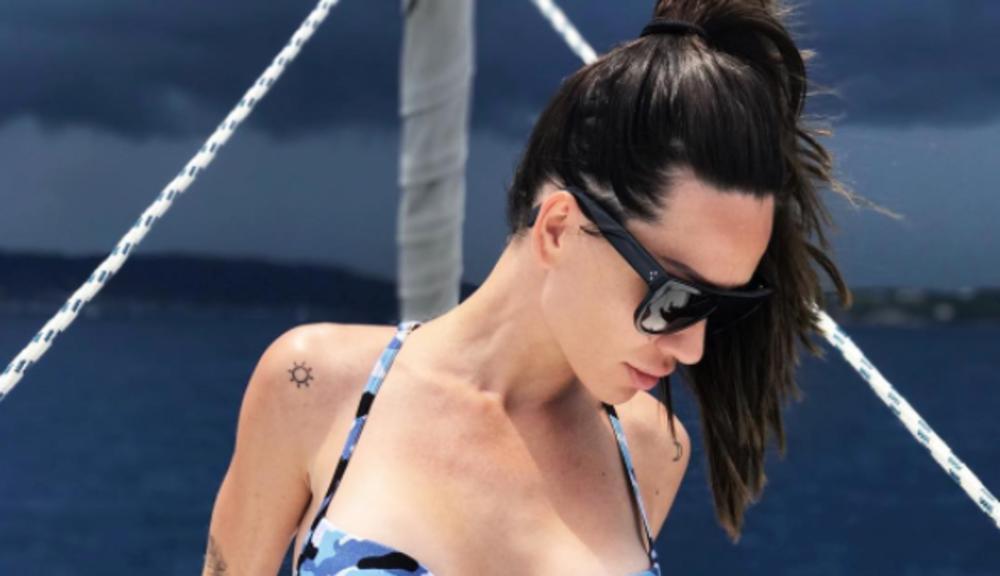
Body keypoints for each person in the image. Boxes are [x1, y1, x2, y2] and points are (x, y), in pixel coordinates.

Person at [202, 0, 863, 573]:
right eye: (677, 299)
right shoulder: (314, 385)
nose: (693, 348)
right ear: (558, 229)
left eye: (724, 307)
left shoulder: (651, 450)